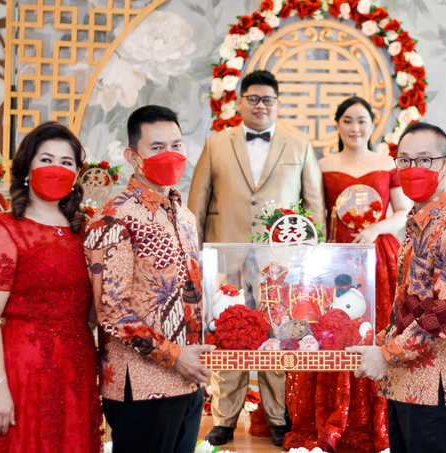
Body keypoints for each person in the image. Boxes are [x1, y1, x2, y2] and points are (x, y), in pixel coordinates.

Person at [189, 69, 325, 447]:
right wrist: (194, 256)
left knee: (279, 336)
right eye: (253, 98)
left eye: (268, 99)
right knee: (228, 335)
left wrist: (310, 261)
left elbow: (314, 207)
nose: (260, 105)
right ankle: (224, 418)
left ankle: (279, 418)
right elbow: (196, 205)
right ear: (240, 101)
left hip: (279, 262)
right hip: (225, 257)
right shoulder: (216, 144)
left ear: (277, 103)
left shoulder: (299, 144)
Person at [84, 105, 214, 453]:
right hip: (140, 386)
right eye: (157, 147)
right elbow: (112, 311)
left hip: (188, 381)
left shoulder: (184, 215)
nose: (170, 154)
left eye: (177, 144)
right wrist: (175, 356)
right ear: (133, 155)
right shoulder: (115, 217)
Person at [284, 97, 410, 452]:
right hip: (335, 259)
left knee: (378, 329)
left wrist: (377, 228)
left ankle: (379, 418)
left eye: (363, 121)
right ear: (337, 125)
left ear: (373, 124)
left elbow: (403, 212)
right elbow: (314, 212)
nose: (356, 128)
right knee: (333, 332)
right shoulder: (323, 164)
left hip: (379, 258)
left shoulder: (387, 163)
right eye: (348, 121)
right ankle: (336, 413)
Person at [0, 121, 103, 452]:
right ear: (27, 168)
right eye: (46, 159)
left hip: (77, 369)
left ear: (76, 174)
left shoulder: (83, 231)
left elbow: (95, 307)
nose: (56, 168)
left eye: (66, 162)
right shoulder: (6, 230)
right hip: (22, 370)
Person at [348, 122, 446, 453]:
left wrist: (386, 353)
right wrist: (378, 344)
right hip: (404, 380)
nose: (412, 169)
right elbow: (410, 300)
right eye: (404, 160)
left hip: (433, 385)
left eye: (424, 160)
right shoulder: (415, 221)